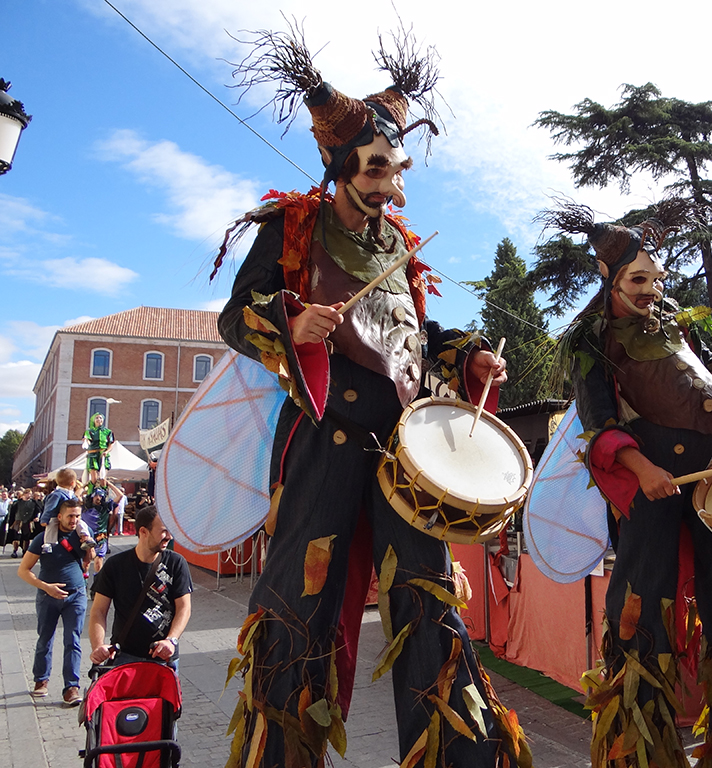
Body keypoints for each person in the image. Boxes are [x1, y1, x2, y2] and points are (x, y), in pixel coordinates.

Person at [211, 24, 527, 768]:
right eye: (378, 166)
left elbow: (418, 334)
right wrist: (295, 322)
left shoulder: (401, 248)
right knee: (302, 605)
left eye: (398, 166)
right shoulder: (293, 227)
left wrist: (468, 356)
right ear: (342, 166)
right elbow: (236, 317)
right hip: (324, 441)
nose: (393, 182)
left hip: (402, 452)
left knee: (427, 604)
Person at [539, 202, 712, 767]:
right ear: (608, 277)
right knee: (643, 608)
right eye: (638, 280)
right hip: (654, 487)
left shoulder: (673, 321)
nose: (651, 290)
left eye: (657, 279)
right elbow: (599, 424)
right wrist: (642, 469)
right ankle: (641, 753)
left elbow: (709, 374)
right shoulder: (592, 339)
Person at [88, 505, 192, 668]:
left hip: (164, 657)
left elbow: (184, 608)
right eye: (163, 531)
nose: (169, 537)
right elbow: (99, 610)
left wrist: (171, 640)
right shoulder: (115, 565)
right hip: (125, 656)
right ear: (143, 532)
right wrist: (98, 645)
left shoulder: (176, 563)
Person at [17, 496, 89, 706]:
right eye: (70, 516)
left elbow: (89, 559)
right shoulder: (43, 538)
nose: (74, 520)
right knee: (45, 639)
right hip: (48, 596)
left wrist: (90, 552)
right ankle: (41, 681)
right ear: (59, 516)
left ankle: (71, 688)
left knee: (73, 640)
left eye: (77, 516)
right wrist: (46, 587)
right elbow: (23, 571)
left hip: (75, 596)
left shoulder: (83, 536)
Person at [40, 468, 96, 556]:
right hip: (56, 516)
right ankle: (48, 544)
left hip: (70, 516)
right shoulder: (56, 494)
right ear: (73, 483)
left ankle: (85, 537)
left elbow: (75, 502)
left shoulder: (70, 493)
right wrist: (45, 519)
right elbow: (50, 507)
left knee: (80, 523)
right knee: (51, 526)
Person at [81, 484, 123, 574]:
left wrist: (108, 483)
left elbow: (120, 495)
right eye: (96, 495)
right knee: (85, 563)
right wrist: (86, 485)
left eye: (100, 496)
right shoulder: (84, 507)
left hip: (101, 537)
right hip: (86, 537)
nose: (98, 498)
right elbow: (76, 495)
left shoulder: (106, 507)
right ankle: (84, 583)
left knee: (99, 561)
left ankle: (97, 583)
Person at [82, 413, 114, 490]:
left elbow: (111, 444)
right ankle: (90, 493)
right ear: (93, 420)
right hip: (92, 454)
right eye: (97, 418)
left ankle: (104, 494)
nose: (99, 419)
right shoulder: (89, 431)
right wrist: (86, 441)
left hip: (103, 455)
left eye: (100, 418)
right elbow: (87, 442)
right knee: (94, 478)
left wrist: (106, 452)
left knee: (103, 479)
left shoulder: (108, 432)